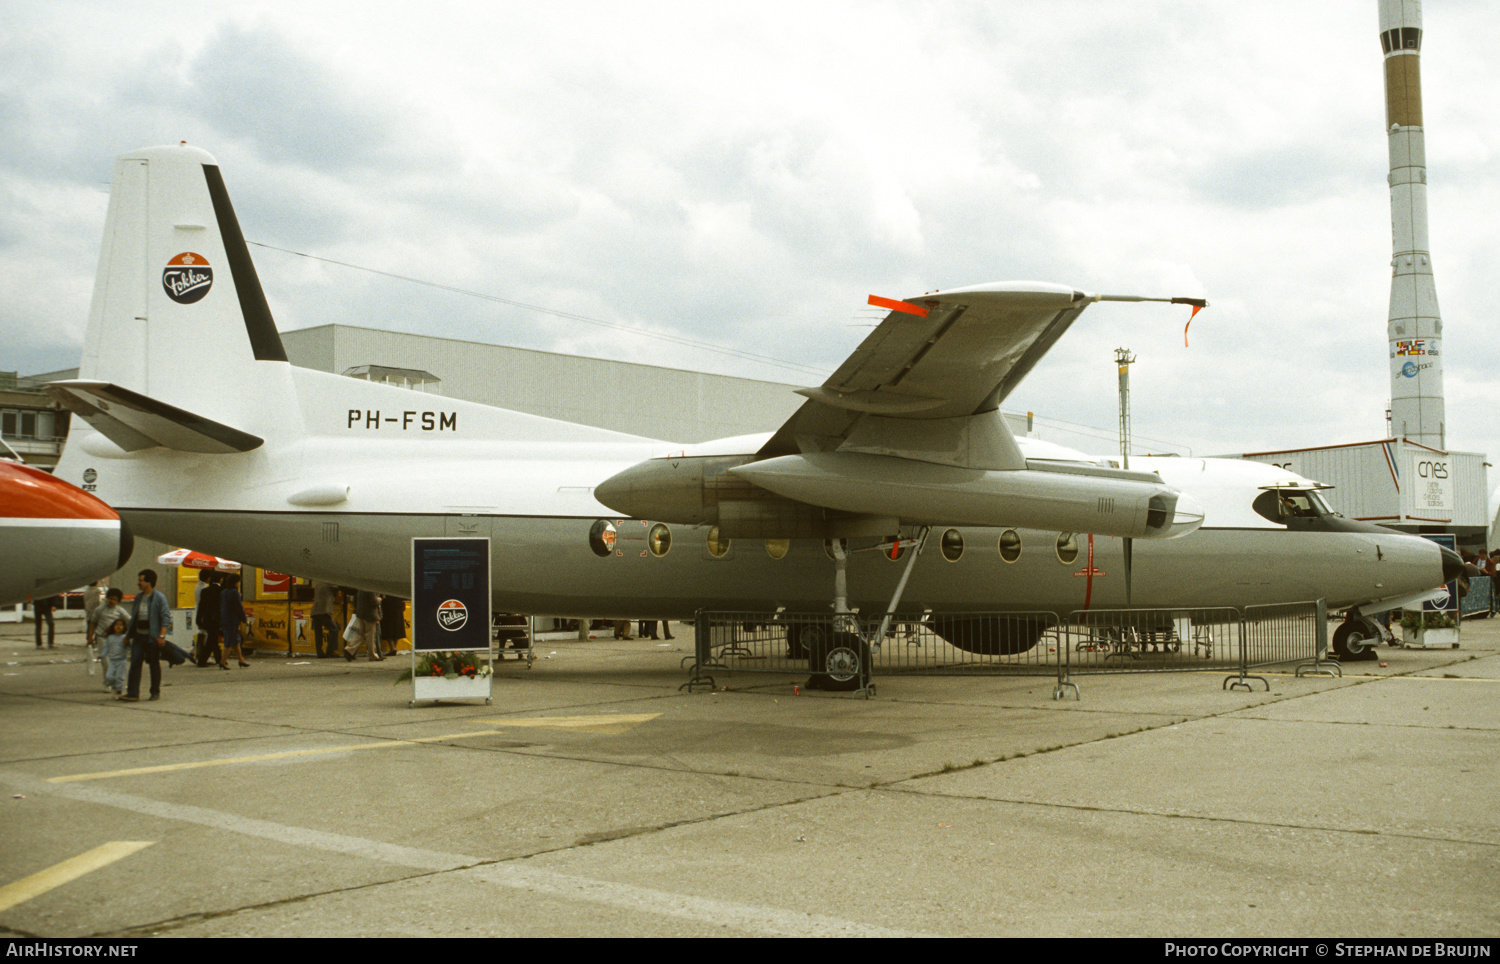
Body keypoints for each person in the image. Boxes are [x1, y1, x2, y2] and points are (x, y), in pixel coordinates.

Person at [120, 569, 170, 702]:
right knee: (135, 663)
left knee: (154, 663)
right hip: (139, 636)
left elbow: (165, 618)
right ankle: (132, 693)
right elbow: (133, 618)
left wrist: (162, 636)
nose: (139, 583)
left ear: (149, 582)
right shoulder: (138, 597)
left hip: (152, 637)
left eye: (141, 580)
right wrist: (128, 635)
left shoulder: (159, 598)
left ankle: (155, 692)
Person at [196, 570, 226, 669]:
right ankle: (202, 660)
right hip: (217, 619)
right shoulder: (222, 591)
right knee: (211, 640)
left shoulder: (205, 591)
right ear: (220, 580)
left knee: (213, 639)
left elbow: (201, 607)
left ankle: (219, 659)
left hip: (207, 619)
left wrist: (198, 619)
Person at [343, 590, 382, 661]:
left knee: (361, 634)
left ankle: (349, 649)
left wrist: (358, 610)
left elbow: (354, 601)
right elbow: (373, 601)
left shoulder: (359, 588)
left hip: (360, 614)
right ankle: (372, 655)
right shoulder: (370, 589)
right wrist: (379, 600)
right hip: (370, 615)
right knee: (370, 635)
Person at [220, 572, 249, 667]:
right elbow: (238, 607)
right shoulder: (234, 593)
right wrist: (244, 619)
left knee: (236, 640)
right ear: (235, 582)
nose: (239, 583)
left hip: (225, 618)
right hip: (232, 619)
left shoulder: (223, 592)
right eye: (238, 582)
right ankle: (222, 661)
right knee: (229, 640)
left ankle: (241, 659)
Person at [311, 581, 339, 658]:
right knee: (334, 629)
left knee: (318, 632)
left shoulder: (317, 584)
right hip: (323, 610)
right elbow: (337, 589)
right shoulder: (330, 583)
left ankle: (319, 652)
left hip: (314, 611)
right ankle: (330, 651)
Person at [102, 617, 129, 696]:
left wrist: (128, 644)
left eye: (121, 625)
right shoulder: (110, 638)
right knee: (109, 676)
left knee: (119, 677)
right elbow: (107, 647)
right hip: (112, 661)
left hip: (122, 661)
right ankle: (114, 687)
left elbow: (129, 647)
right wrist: (102, 655)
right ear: (113, 627)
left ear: (124, 627)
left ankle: (119, 691)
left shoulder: (124, 637)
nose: (118, 626)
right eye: (116, 624)